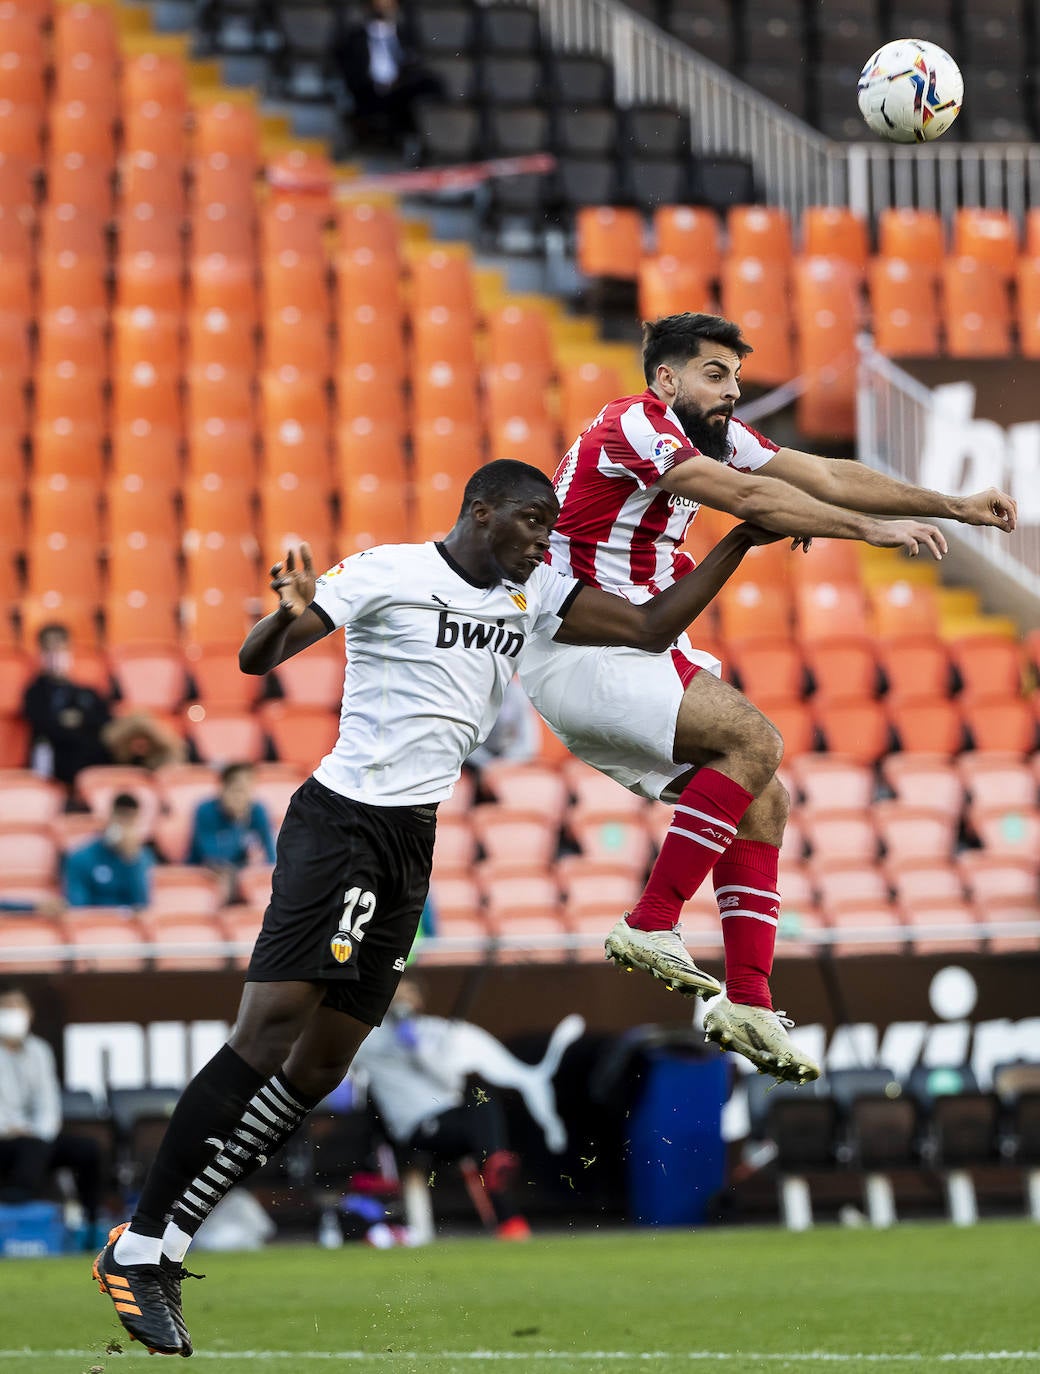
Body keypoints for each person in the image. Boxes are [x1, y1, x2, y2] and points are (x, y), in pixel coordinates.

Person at [90, 457, 841, 1357]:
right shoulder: (387, 572)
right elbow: (259, 660)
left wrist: (740, 543)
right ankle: (140, 1240)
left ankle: (166, 1244)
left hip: (412, 843)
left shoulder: (535, 597)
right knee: (270, 1030)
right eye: (531, 523)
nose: (542, 539)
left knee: (323, 1064)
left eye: (549, 526)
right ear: (482, 513)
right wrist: (285, 616)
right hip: (344, 825)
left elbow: (647, 625)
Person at [517, 311, 1017, 1087]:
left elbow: (820, 475)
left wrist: (949, 504)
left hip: (636, 651)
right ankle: (651, 921)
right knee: (754, 742)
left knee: (764, 799)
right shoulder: (635, 425)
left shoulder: (714, 437)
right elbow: (742, 499)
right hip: (583, 646)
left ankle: (747, 999)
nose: (732, 392)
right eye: (715, 375)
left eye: (736, 378)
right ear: (666, 378)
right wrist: (866, 532)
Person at [351, 976, 577, 1242]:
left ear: (419, 1000)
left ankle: (502, 1190)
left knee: (482, 1098)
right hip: (416, 1127)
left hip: (450, 1118)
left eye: (409, 993)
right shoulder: (370, 1037)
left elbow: (450, 1082)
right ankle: (499, 1181)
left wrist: (422, 1051)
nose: (402, 999)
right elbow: (356, 1060)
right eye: (396, 993)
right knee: (483, 1139)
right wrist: (396, 1035)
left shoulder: (431, 1031)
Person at [22, 623, 185, 790]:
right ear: (41, 653)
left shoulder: (83, 690)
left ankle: (176, 768)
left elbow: (104, 717)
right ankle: (185, 758)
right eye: (50, 649)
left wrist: (77, 721)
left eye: (61, 649)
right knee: (138, 722)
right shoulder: (36, 693)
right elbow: (49, 727)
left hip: (104, 747)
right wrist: (83, 723)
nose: (56, 656)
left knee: (141, 722)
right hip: (71, 759)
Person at [0, 983, 102, 1245]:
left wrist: (40, 1134)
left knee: (87, 1150)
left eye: (18, 1007)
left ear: (30, 1013)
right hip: (5, 1139)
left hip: (37, 1138)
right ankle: (20, 1228)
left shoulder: (39, 1050)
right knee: (28, 1150)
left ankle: (90, 1225)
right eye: (6, 1007)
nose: (13, 1013)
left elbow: (48, 1103)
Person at [333, 0, 443, 149]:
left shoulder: (407, 35)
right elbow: (348, 71)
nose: (383, 6)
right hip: (366, 94)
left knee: (428, 85)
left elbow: (415, 65)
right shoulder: (353, 38)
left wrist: (397, 82)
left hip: (401, 95)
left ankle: (420, 146)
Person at [187, 763, 277, 903]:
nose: (243, 795)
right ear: (223, 788)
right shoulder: (204, 810)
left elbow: (271, 852)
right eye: (238, 789)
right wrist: (238, 822)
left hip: (240, 871)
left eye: (249, 788)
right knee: (226, 877)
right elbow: (212, 855)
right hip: (204, 869)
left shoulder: (257, 809)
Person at [64, 794, 153, 910]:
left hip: (126, 926)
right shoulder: (80, 857)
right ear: (110, 817)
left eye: (130, 822)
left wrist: (132, 861)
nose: (124, 827)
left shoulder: (141, 858)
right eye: (121, 819)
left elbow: (142, 906)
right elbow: (77, 907)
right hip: (93, 926)